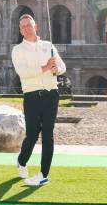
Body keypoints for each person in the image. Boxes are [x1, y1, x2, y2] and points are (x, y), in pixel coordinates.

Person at [11, 14, 66, 186]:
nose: (27, 28)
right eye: (23, 27)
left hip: (51, 94)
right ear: (20, 31)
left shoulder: (48, 46)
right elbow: (23, 73)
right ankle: (21, 161)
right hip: (32, 95)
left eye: (29, 25)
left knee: (48, 134)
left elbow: (62, 67)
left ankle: (43, 174)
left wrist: (56, 68)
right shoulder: (17, 50)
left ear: (36, 27)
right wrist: (45, 67)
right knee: (33, 134)